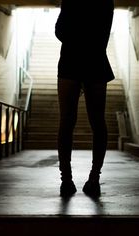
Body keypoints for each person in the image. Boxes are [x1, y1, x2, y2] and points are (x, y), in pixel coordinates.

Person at [55, 0, 115, 197]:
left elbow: (60, 31)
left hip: (70, 61)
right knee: (98, 122)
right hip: (96, 61)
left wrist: (75, 37)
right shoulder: (105, 0)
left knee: (66, 121)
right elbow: (105, 31)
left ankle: (66, 181)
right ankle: (94, 179)